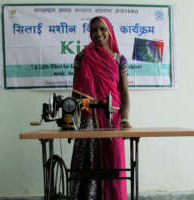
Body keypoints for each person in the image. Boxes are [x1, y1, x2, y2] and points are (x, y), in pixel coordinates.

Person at [69, 16, 131, 200]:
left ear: (109, 30)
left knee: (115, 163)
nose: (98, 33)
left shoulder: (120, 60)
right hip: (87, 119)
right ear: (90, 34)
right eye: (94, 30)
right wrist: (73, 119)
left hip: (113, 119)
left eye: (102, 28)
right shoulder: (82, 57)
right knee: (86, 164)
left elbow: (124, 92)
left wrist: (126, 119)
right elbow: (76, 91)